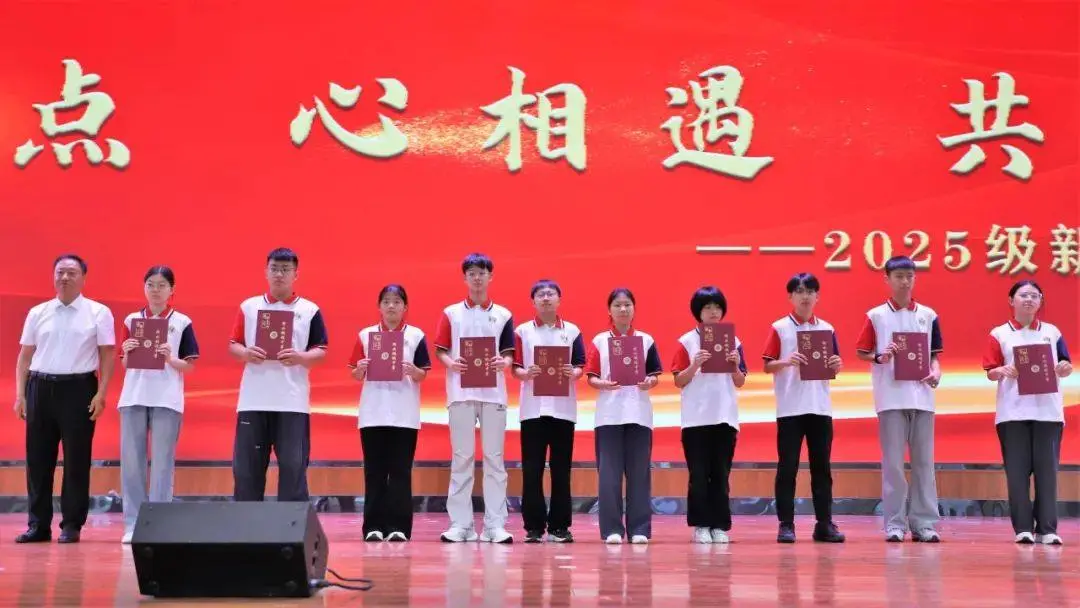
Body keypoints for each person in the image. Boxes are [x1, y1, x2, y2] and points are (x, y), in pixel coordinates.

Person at [14, 254, 115, 544]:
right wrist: (20, 394)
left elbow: (107, 355)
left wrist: (102, 393)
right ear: (53, 276)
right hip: (40, 387)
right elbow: (25, 356)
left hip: (79, 388)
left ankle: (71, 524)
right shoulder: (38, 312)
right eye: (60, 272)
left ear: (83, 277)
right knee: (38, 460)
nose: (65, 277)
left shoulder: (98, 312)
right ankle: (38, 525)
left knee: (76, 460)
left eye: (71, 272)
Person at [855, 255, 943, 543]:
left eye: (909, 276)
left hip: (923, 399)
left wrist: (936, 373)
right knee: (893, 465)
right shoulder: (876, 315)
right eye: (899, 276)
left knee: (924, 464)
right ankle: (894, 523)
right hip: (890, 398)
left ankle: (924, 524)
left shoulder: (928, 315)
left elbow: (934, 356)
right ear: (887, 279)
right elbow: (862, 352)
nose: (905, 281)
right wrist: (881, 356)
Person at [228, 247, 328, 502]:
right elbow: (233, 345)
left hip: (292, 401)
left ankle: (291, 525)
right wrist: (246, 353)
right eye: (274, 269)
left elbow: (321, 351)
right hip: (253, 400)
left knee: (293, 468)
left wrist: (300, 357)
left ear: (296, 274)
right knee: (247, 471)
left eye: (285, 269)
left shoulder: (309, 309)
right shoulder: (249, 307)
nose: (279, 274)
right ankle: (247, 523)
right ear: (266, 271)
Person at [982, 280, 1072, 545]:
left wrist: (1065, 368)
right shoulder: (1000, 333)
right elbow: (990, 371)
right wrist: (1001, 370)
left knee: (1047, 474)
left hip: (1048, 413)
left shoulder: (1052, 332)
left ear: (1041, 301)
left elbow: (1065, 363)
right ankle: (1022, 528)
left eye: (1035, 295)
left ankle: (1047, 529)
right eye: (1023, 295)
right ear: (1012, 301)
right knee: (1017, 474)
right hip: (1013, 413)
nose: (1029, 299)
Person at [433, 253, 515, 543]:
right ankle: (461, 525)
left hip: (493, 395)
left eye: (482, 273)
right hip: (461, 393)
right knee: (462, 458)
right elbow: (441, 350)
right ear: (464, 278)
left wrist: (504, 363)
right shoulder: (451, 313)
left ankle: (495, 525)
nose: (477, 278)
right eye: (472, 273)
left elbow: (509, 353)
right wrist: (451, 363)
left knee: (494, 460)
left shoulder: (503, 314)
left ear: (490, 277)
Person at [117, 265, 199, 543]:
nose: (155, 290)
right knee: (132, 463)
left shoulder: (182, 321)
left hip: (167, 399)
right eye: (150, 284)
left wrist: (170, 359)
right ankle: (133, 524)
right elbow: (125, 363)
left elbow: (189, 365)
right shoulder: (132, 320)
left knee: (163, 463)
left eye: (162, 285)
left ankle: (159, 524)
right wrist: (127, 351)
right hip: (134, 396)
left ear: (172, 290)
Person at [762, 273, 845, 544]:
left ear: (817, 296)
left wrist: (836, 365)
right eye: (799, 291)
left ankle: (824, 523)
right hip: (790, 408)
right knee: (787, 467)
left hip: (820, 407)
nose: (805, 296)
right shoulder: (780, 328)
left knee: (822, 468)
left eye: (810, 291)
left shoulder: (827, 329)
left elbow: (834, 364)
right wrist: (786, 361)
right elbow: (767, 365)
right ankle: (786, 524)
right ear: (791, 297)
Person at [349, 284, 432, 542]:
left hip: (404, 414)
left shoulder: (415, 335)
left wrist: (413, 371)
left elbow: (423, 373)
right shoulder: (366, 335)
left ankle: (399, 527)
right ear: (379, 306)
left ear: (405, 307)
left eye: (397, 301)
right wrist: (360, 369)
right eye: (386, 301)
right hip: (372, 413)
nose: (391, 306)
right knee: (374, 471)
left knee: (400, 471)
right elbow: (354, 373)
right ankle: (373, 526)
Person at [585, 287, 662, 545]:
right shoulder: (600, 341)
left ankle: (640, 528)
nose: (623, 309)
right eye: (617, 305)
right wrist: (602, 384)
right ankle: (612, 529)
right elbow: (592, 377)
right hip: (609, 415)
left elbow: (654, 375)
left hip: (639, 414)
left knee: (639, 474)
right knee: (609, 475)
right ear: (609, 310)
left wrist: (649, 382)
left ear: (634, 308)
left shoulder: (646, 340)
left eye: (627, 304)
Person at [512, 279, 586, 543]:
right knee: (532, 470)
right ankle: (533, 527)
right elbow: (515, 368)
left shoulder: (572, 331)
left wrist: (572, 373)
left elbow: (580, 365)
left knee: (561, 470)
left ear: (559, 299)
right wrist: (525, 373)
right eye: (540, 294)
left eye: (550, 294)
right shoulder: (522, 331)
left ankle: (559, 527)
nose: (545, 298)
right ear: (533, 301)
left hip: (563, 410)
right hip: (532, 410)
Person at [671, 286, 746, 544]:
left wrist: (735, 366)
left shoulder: (734, 342)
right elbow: (678, 380)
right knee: (699, 475)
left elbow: (740, 381)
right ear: (698, 312)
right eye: (707, 308)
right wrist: (695, 364)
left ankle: (720, 525)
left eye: (717, 307)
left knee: (721, 475)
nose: (713, 312)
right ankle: (701, 525)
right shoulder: (686, 341)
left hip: (725, 417)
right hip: (696, 420)